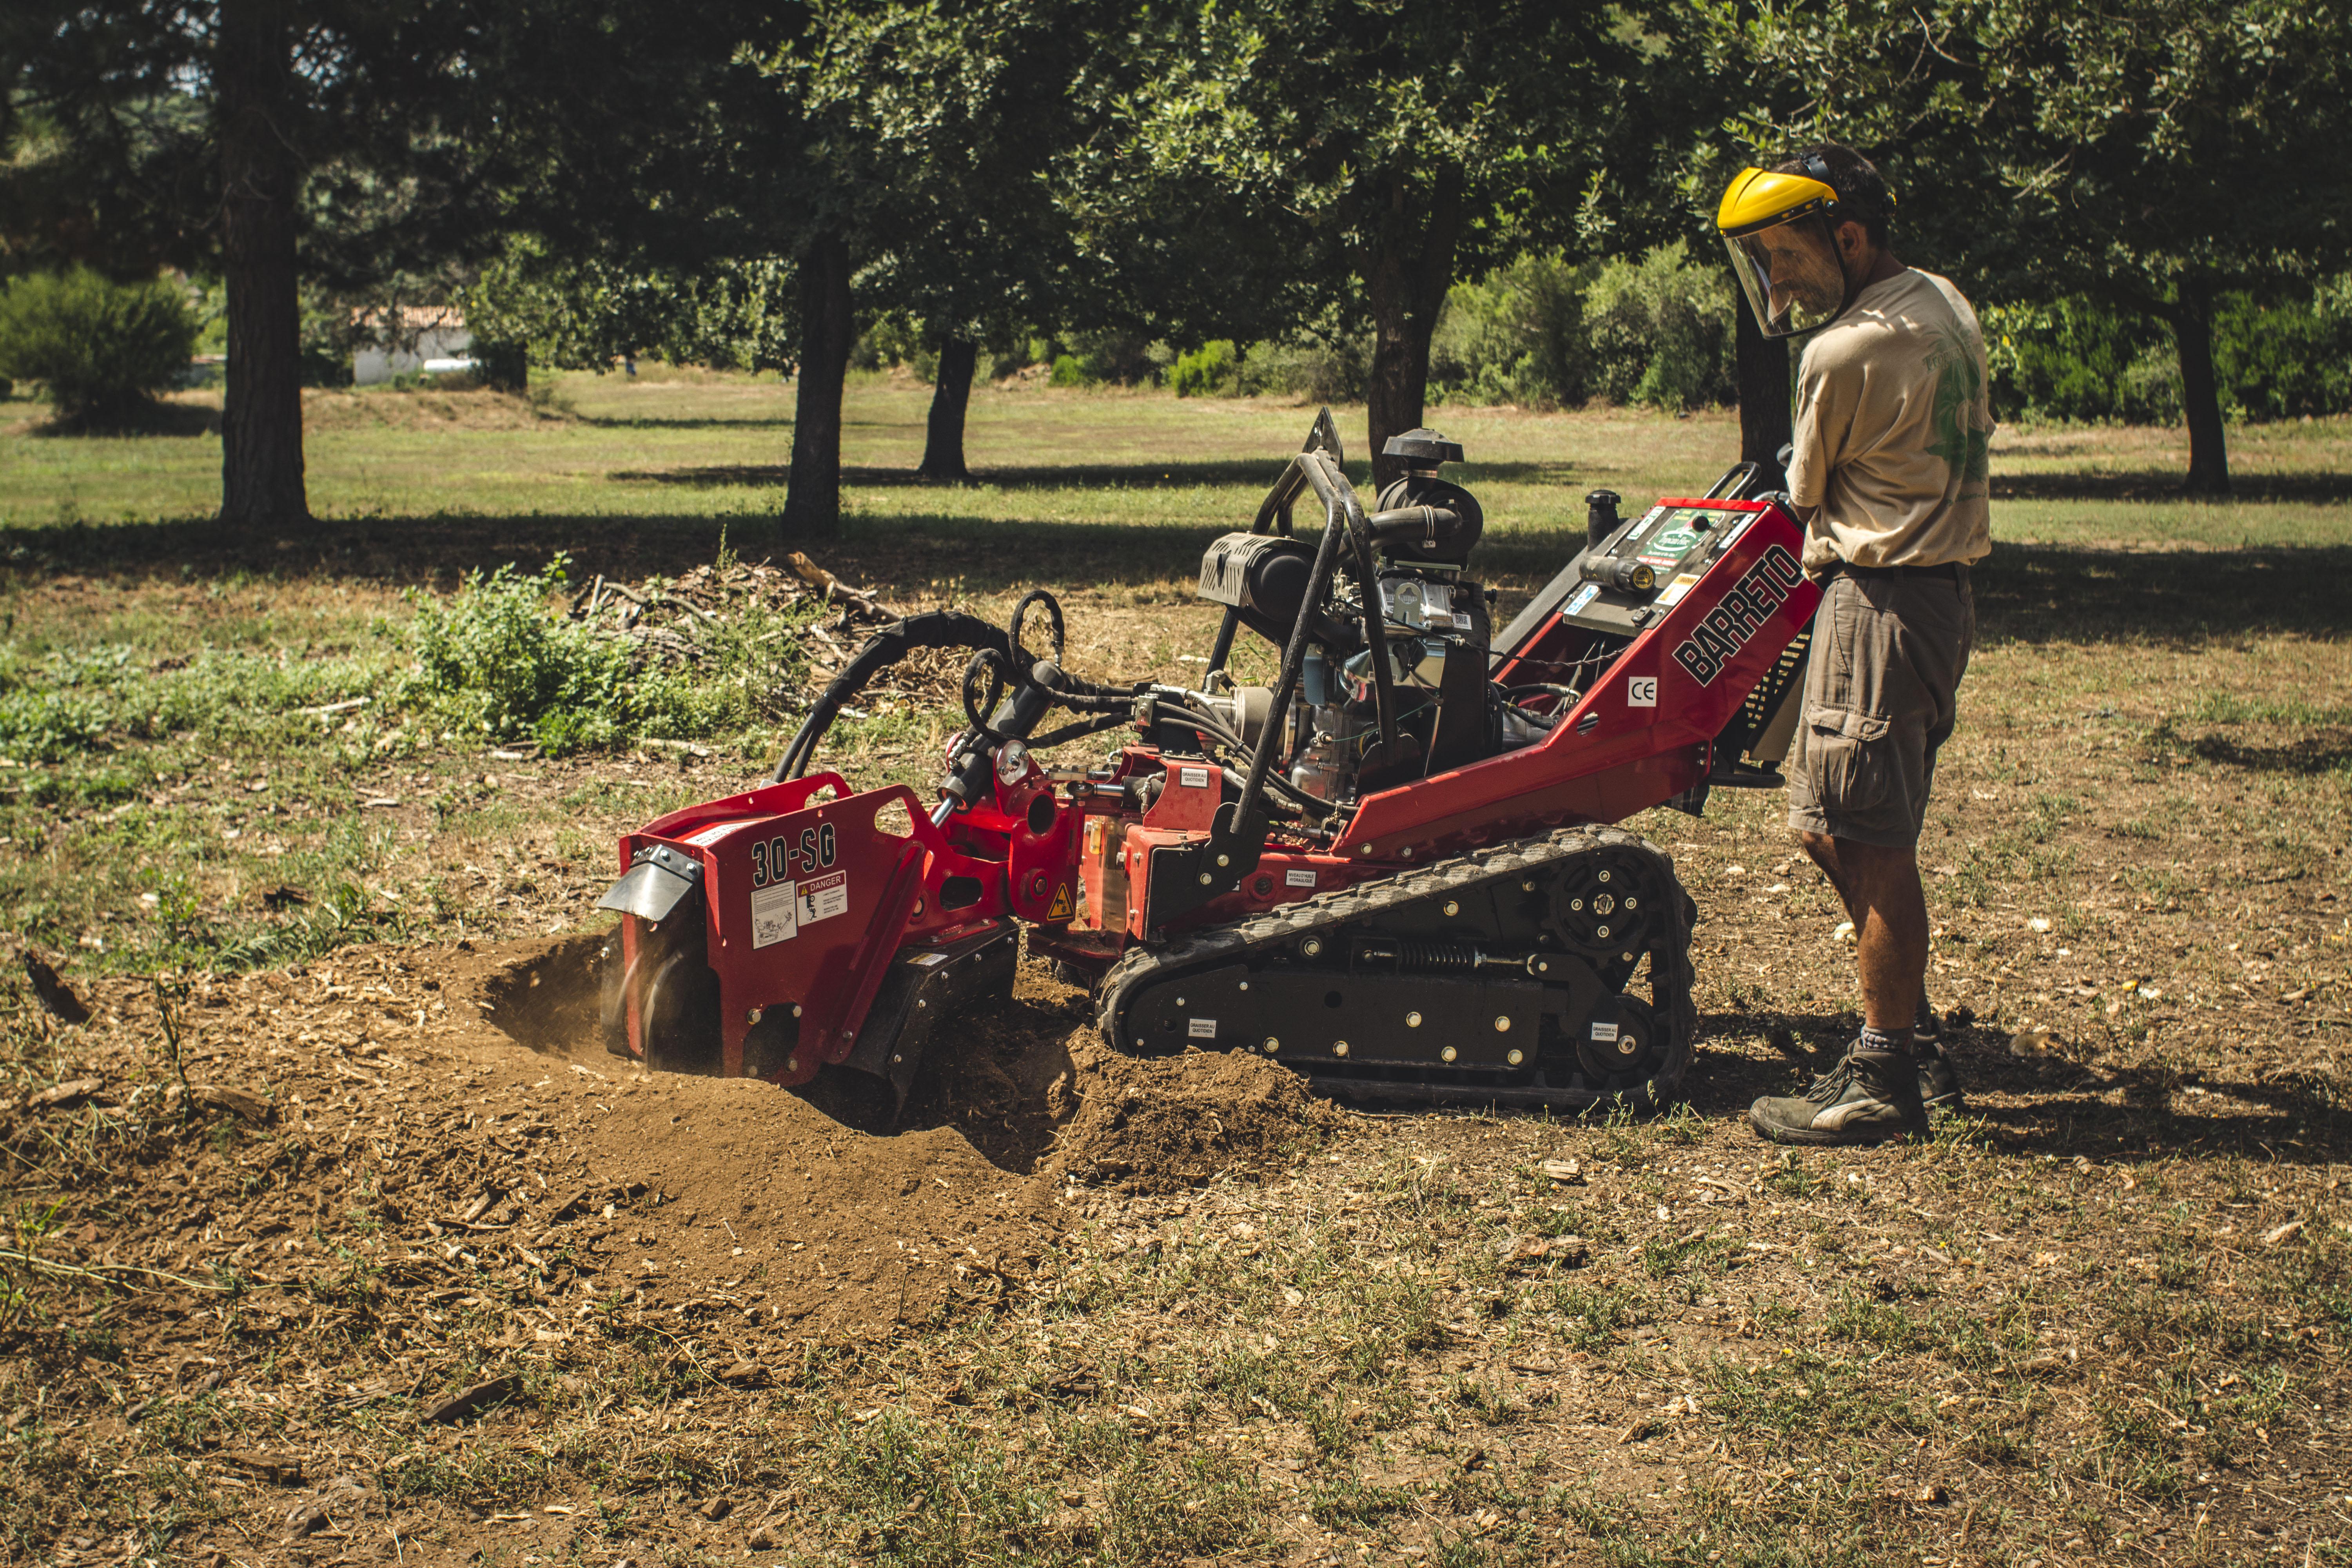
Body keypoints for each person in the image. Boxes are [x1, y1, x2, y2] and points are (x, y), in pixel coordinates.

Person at [1714, 146, 1993, 1145]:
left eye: (1786, 258)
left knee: (1872, 840)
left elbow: (1803, 491)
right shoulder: (1943, 303)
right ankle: (1906, 1038)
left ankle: (1884, 1071)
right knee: (1826, 821)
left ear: (1851, 237)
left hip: (1880, 597)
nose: (1778, 282)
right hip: (1934, 596)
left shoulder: (1839, 354)